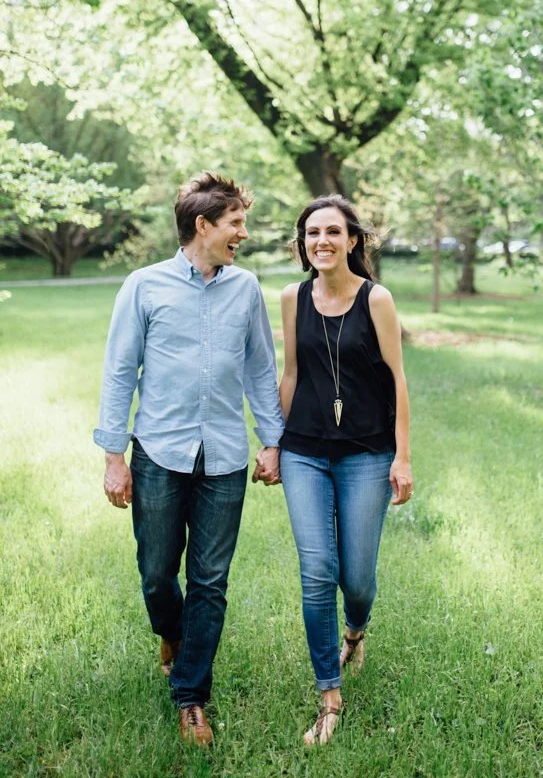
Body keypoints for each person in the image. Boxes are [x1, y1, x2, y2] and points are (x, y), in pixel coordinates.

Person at [93, 172, 283, 746]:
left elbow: (259, 368)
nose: (243, 233)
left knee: (210, 580)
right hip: (158, 452)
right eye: (235, 223)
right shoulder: (144, 286)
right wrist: (113, 455)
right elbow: (120, 371)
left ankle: (191, 696)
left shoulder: (245, 288)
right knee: (156, 574)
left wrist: (271, 441)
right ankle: (170, 632)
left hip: (224, 457)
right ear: (203, 226)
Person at [259, 194, 413, 746]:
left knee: (358, 579)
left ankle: (356, 630)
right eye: (310, 233)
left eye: (332, 231)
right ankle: (329, 695)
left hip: (367, 453)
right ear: (302, 244)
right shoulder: (290, 297)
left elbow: (397, 380)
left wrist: (402, 457)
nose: (320, 241)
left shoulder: (377, 299)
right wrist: (273, 444)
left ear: (352, 240)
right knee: (317, 569)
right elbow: (292, 374)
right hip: (303, 450)